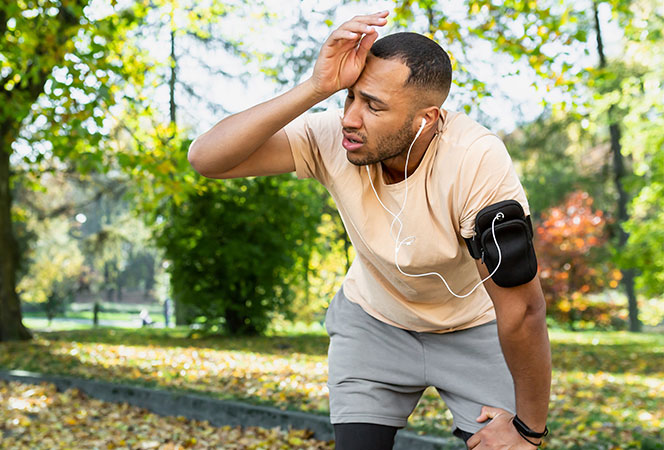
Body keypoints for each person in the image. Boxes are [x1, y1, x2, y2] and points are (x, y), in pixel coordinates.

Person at [188, 11, 551, 450]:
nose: (350, 119)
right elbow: (207, 159)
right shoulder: (333, 140)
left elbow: (524, 307)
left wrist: (530, 431)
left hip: (473, 328)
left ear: (426, 119)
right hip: (374, 322)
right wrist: (316, 88)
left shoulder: (475, 159)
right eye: (349, 99)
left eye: (374, 106)